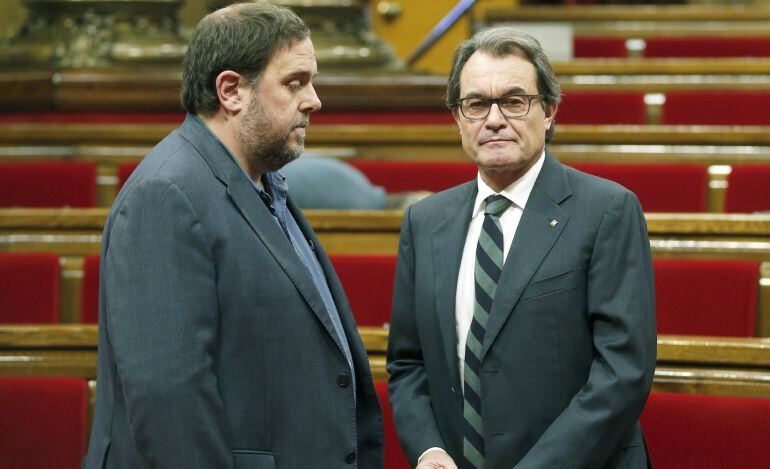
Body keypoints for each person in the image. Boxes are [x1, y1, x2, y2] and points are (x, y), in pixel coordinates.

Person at [83, 4, 383, 468]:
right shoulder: (165, 195)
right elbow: (169, 400)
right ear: (231, 91)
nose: (314, 100)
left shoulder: (261, 181)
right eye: (295, 83)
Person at [387, 25, 656, 469]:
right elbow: (408, 363)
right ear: (458, 117)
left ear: (548, 111)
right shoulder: (425, 221)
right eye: (476, 104)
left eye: (513, 101)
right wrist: (428, 448)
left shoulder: (607, 209)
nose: (494, 119)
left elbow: (622, 371)